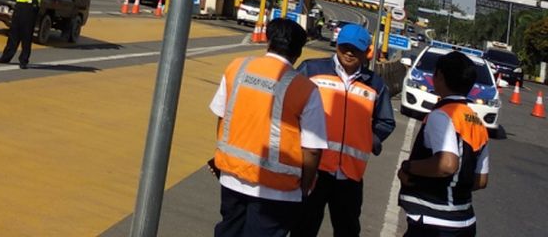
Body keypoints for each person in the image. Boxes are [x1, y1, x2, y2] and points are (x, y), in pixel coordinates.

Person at [210, 18, 328, 237]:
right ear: (298, 53)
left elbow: (221, 116)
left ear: (268, 42)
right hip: (278, 190)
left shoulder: (237, 67)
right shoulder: (306, 89)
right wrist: (304, 187)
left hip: (232, 177)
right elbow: (312, 149)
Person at [295, 23, 396, 237]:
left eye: (356, 49)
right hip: (314, 169)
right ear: (337, 45)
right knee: (303, 227)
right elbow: (289, 106)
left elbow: (386, 121)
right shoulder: (311, 70)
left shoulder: (375, 84)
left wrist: (369, 140)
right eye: (345, 47)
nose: (349, 53)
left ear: (366, 52)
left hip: (350, 176)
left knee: (347, 230)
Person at [397, 50, 490, 237]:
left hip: (434, 222)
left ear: (438, 76)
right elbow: (481, 180)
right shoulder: (478, 124)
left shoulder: (442, 115)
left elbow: (447, 165)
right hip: (464, 221)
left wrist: (409, 167)